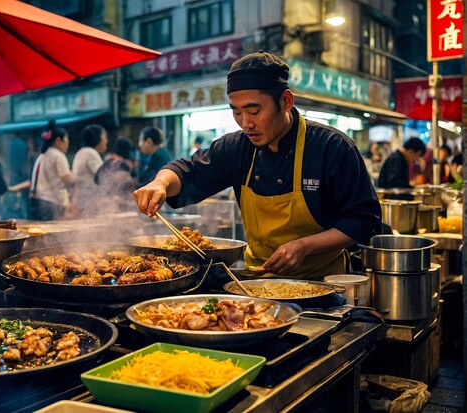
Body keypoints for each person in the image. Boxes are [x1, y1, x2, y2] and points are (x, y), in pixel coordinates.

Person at [133, 51, 381, 280]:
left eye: (254, 111)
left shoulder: (332, 147)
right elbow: (191, 170)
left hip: (324, 284)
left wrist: (304, 247)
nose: (245, 123)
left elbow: (364, 221)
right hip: (256, 281)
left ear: (286, 101)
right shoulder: (237, 147)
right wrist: (161, 182)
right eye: (237, 112)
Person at [28, 120, 75, 221]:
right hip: (50, 204)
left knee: (40, 234)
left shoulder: (42, 155)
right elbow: (67, 180)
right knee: (52, 235)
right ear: (58, 141)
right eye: (66, 140)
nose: (67, 144)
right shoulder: (58, 156)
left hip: (36, 201)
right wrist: (79, 177)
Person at [71, 124, 107, 215]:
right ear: (97, 138)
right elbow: (102, 176)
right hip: (89, 200)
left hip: (80, 198)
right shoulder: (91, 153)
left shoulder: (80, 152)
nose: (106, 141)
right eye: (104, 137)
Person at [95, 137, 136, 211]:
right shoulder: (124, 165)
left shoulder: (108, 162)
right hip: (111, 203)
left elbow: (96, 180)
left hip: (103, 202)